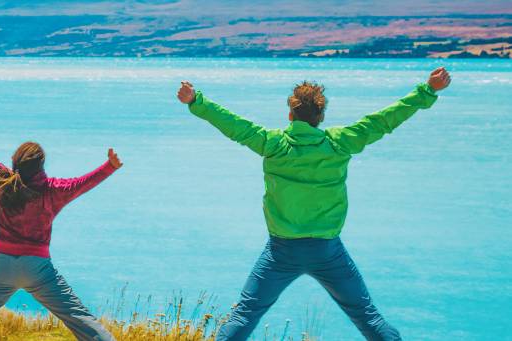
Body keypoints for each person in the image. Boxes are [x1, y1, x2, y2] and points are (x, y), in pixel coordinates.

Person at [176, 68, 451, 341]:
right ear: (320, 117)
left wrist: (196, 101)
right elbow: (383, 121)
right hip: (328, 253)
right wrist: (426, 90)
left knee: (245, 315)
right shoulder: (339, 143)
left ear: (290, 115)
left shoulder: (273, 144)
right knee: (367, 316)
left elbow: (234, 125)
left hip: (280, 253)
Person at [0, 90, 120, 341]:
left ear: (14, 163)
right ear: (42, 165)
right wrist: (109, 167)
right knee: (82, 321)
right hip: (38, 269)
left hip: (0, 268)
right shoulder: (52, 189)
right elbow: (81, 184)